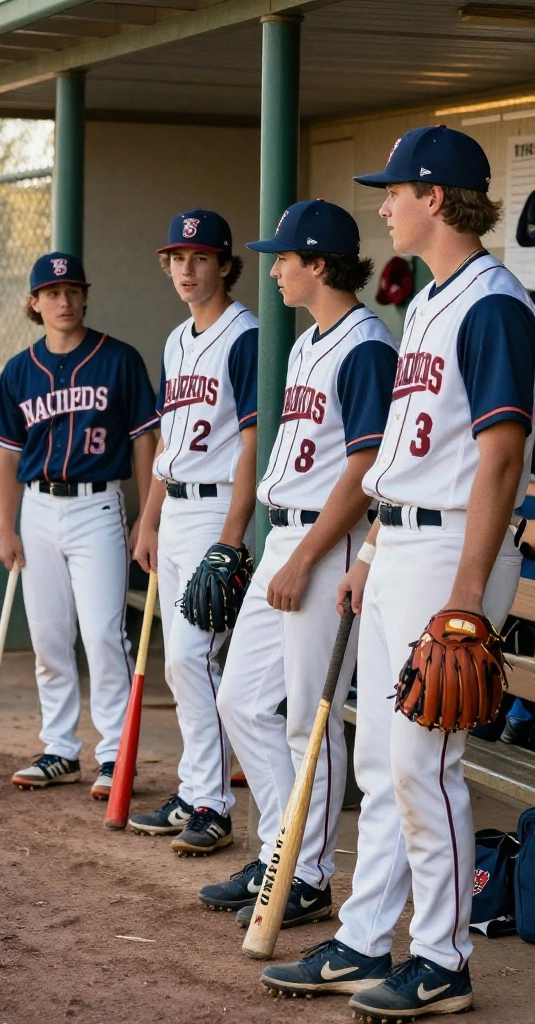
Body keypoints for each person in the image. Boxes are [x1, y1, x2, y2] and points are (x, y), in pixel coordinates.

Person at [261, 126, 535, 1020]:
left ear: (436, 198)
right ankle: (364, 939)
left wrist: (467, 594)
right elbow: (408, 455)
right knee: (382, 758)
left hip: (452, 551)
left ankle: (445, 960)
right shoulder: (425, 304)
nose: (384, 208)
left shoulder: (494, 304)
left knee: (424, 763)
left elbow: (501, 457)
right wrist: (371, 551)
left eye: (396, 192)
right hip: (401, 546)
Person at [198, 200, 398, 926]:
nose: (274, 270)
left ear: (319, 263)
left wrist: (307, 557)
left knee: (311, 719)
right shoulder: (309, 340)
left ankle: (304, 874)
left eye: (283, 258)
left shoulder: (366, 346)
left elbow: (367, 469)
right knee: (240, 701)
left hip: (325, 542)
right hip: (286, 535)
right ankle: (283, 851)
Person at [0, 252, 158, 800]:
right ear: (34, 303)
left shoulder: (119, 359)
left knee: (104, 634)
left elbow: (145, 441)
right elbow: (8, 455)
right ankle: (59, 748)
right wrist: (6, 528)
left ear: (84, 297)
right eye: (52, 293)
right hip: (37, 509)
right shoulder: (19, 370)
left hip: (97, 506)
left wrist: (148, 515)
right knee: (48, 636)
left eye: (72, 291)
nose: (64, 301)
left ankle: (114, 755)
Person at [130, 209, 258, 855]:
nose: (186, 268)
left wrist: (231, 537)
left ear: (225, 265)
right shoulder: (177, 339)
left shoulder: (246, 336)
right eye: (177, 258)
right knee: (182, 662)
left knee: (189, 657)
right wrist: (149, 517)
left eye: (200, 257)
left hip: (216, 511)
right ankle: (195, 791)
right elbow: (168, 442)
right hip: (176, 506)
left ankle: (212, 804)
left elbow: (254, 443)